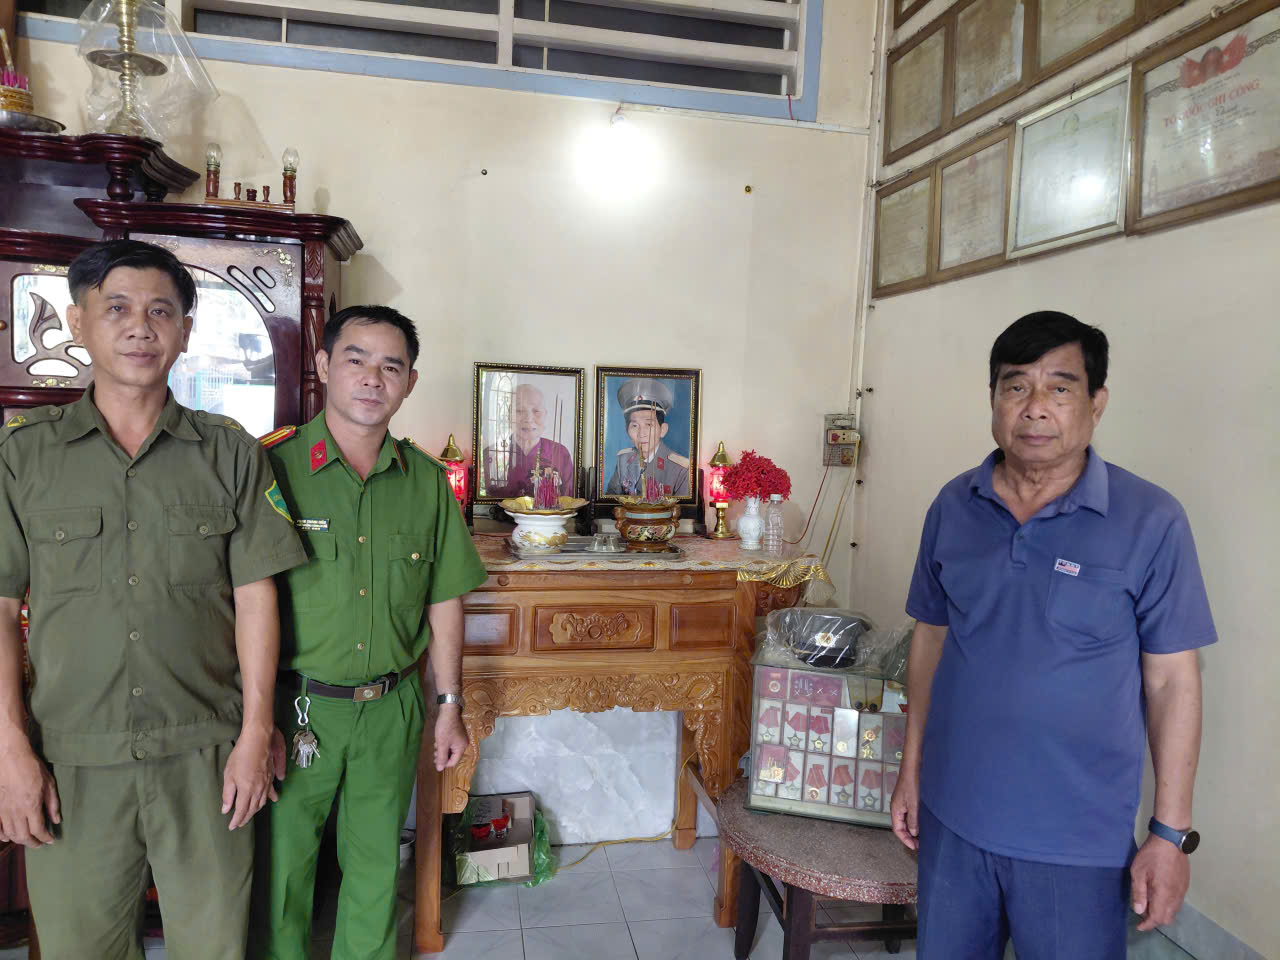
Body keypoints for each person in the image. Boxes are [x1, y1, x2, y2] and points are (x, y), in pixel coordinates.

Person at [0, 239, 306, 959]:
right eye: (117, 309)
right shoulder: (23, 454)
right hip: (72, 758)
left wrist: (255, 733)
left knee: (214, 946)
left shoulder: (229, 451)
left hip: (205, 755)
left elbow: (256, 599)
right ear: (79, 323)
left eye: (161, 312)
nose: (141, 327)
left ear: (186, 331)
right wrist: (9, 749)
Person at [891, 311, 1216, 959]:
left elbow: (1172, 682)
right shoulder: (954, 506)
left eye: (1060, 388)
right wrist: (911, 769)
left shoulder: (1151, 521)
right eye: (1016, 386)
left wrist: (1170, 834)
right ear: (993, 399)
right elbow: (930, 641)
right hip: (954, 820)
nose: (1035, 407)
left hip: (1077, 841)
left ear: (1097, 403)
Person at [253, 305, 487, 960]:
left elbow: (444, 598)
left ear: (409, 382)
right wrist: (252, 719)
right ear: (324, 365)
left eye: (391, 366)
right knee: (282, 874)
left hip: (391, 706)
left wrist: (449, 706)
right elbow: (238, 600)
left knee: (377, 867)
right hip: (295, 708)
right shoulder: (269, 468)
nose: (371, 378)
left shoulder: (427, 482)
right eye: (355, 359)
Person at [482, 382, 575, 499]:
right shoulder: (493, 453)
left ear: (545, 415)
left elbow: (568, 500)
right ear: (509, 415)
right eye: (520, 410)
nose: (529, 418)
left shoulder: (560, 453)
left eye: (536, 411)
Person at [604, 377, 690, 496]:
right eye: (634, 425)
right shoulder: (623, 460)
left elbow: (683, 507)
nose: (641, 433)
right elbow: (610, 500)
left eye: (648, 425)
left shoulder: (680, 469)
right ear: (627, 430)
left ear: (663, 430)